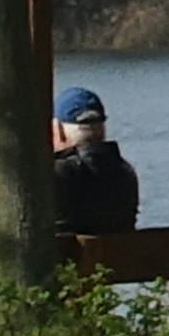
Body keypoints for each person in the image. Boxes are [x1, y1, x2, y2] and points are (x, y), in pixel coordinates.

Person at [51, 87, 141, 240]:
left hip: (67, 262)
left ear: (59, 130)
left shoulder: (54, 175)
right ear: (102, 131)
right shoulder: (126, 173)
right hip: (120, 262)